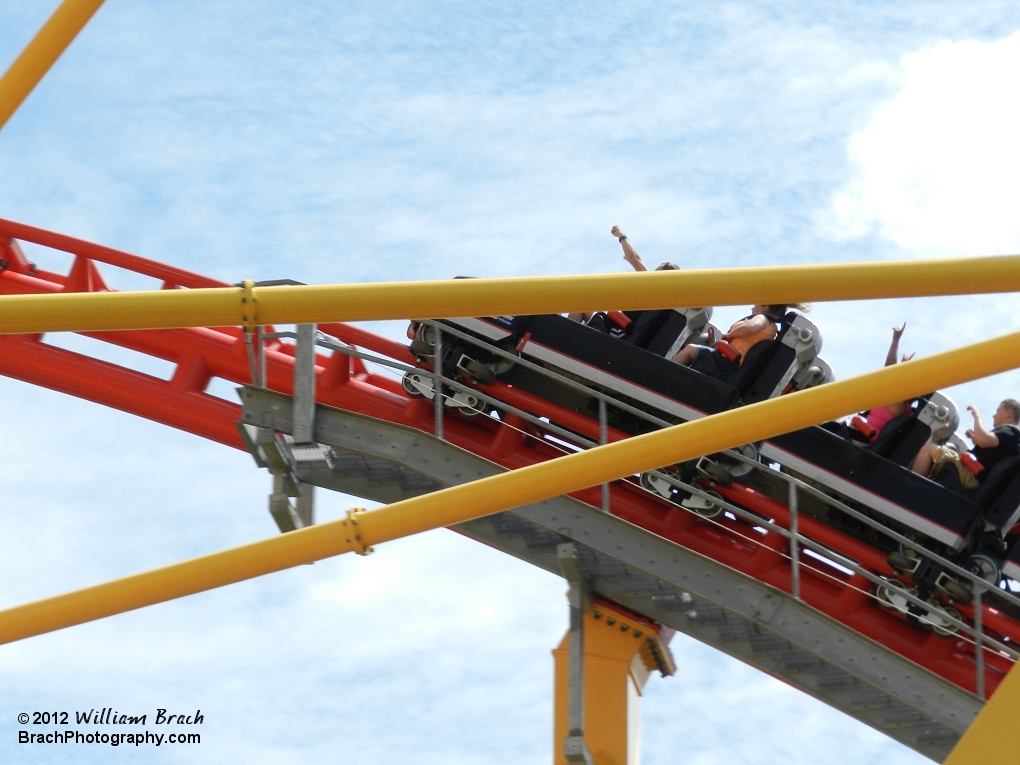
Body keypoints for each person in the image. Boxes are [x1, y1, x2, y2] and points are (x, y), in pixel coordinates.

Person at [567, 227, 679, 323]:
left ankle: (562, 337)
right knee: (585, 302)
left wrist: (621, 235)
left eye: (656, 274)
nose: (651, 275)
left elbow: (633, 258)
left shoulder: (653, 288)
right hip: (620, 329)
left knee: (580, 301)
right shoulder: (664, 299)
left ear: (663, 278)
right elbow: (636, 258)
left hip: (617, 332)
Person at [912, 399, 1020, 488]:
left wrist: (976, 415)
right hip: (975, 476)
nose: (994, 415)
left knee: (928, 449)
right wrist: (974, 438)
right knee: (951, 448)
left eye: (998, 411)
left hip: (971, 476)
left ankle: (910, 486)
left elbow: (983, 440)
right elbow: (990, 452)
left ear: (1008, 413)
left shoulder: (1009, 431)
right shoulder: (1013, 438)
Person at [670, 303, 806, 372]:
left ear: (765, 307)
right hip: (732, 364)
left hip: (729, 365)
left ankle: (664, 371)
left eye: (755, 305)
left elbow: (749, 328)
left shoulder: (762, 318)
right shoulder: (773, 330)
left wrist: (728, 335)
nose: (752, 309)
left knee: (690, 349)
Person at [861, 323, 915, 438]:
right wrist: (895, 340)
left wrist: (896, 340)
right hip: (859, 430)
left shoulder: (900, 408)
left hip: (864, 437)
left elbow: (889, 372)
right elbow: (890, 373)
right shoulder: (896, 402)